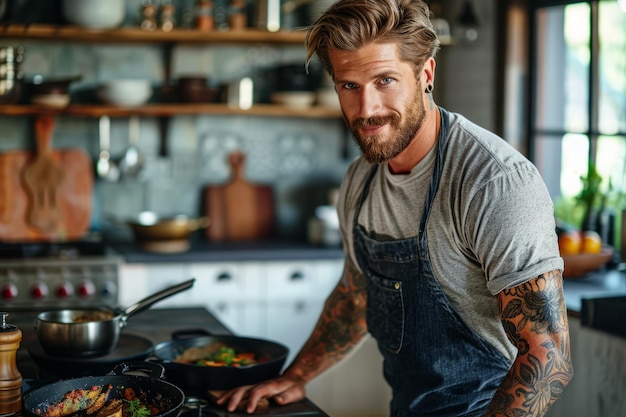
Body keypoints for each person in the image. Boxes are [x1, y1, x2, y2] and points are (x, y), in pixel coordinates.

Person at [217, 0, 574, 415]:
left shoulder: (492, 182)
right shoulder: (360, 181)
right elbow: (355, 296)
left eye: (385, 80)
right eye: (349, 86)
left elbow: (547, 353)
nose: (367, 109)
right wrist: (297, 376)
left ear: (425, 74)